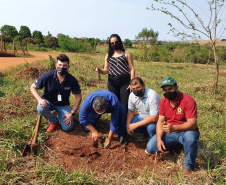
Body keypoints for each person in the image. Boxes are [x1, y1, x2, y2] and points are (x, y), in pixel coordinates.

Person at [146, 77, 199, 174]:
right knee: (150, 148)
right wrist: (159, 139)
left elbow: (193, 124)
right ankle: (178, 146)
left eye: (170, 89)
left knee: (191, 137)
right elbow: (160, 121)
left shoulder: (188, 100)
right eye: (165, 90)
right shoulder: (164, 102)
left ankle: (188, 166)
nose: (167, 92)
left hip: (185, 131)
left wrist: (174, 127)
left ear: (176, 88)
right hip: (170, 133)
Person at [30, 54, 82, 132]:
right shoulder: (47, 76)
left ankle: (59, 113)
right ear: (56, 65)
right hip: (48, 102)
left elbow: (78, 97)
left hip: (63, 104)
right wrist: (39, 99)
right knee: (40, 108)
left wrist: (72, 113)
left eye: (64, 66)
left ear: (68, 67)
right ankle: (54, 121)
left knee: (68, 127)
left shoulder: (72, 80)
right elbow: (32, 87)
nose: (62, 67)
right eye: (60, 65)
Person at [96, 34, 135, 109]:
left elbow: (132, 69)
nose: (114, 44)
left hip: (125, 82)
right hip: (112, 82)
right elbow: (106, 70)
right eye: (112, 43)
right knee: (114, 103)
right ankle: (115, 120)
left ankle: (124, 120)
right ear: (110, 44)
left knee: (125, 104)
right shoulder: (108, 55)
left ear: (119, 42)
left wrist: (132, 83)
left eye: (116, 42)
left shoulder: (126, 53)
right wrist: (100, 70)